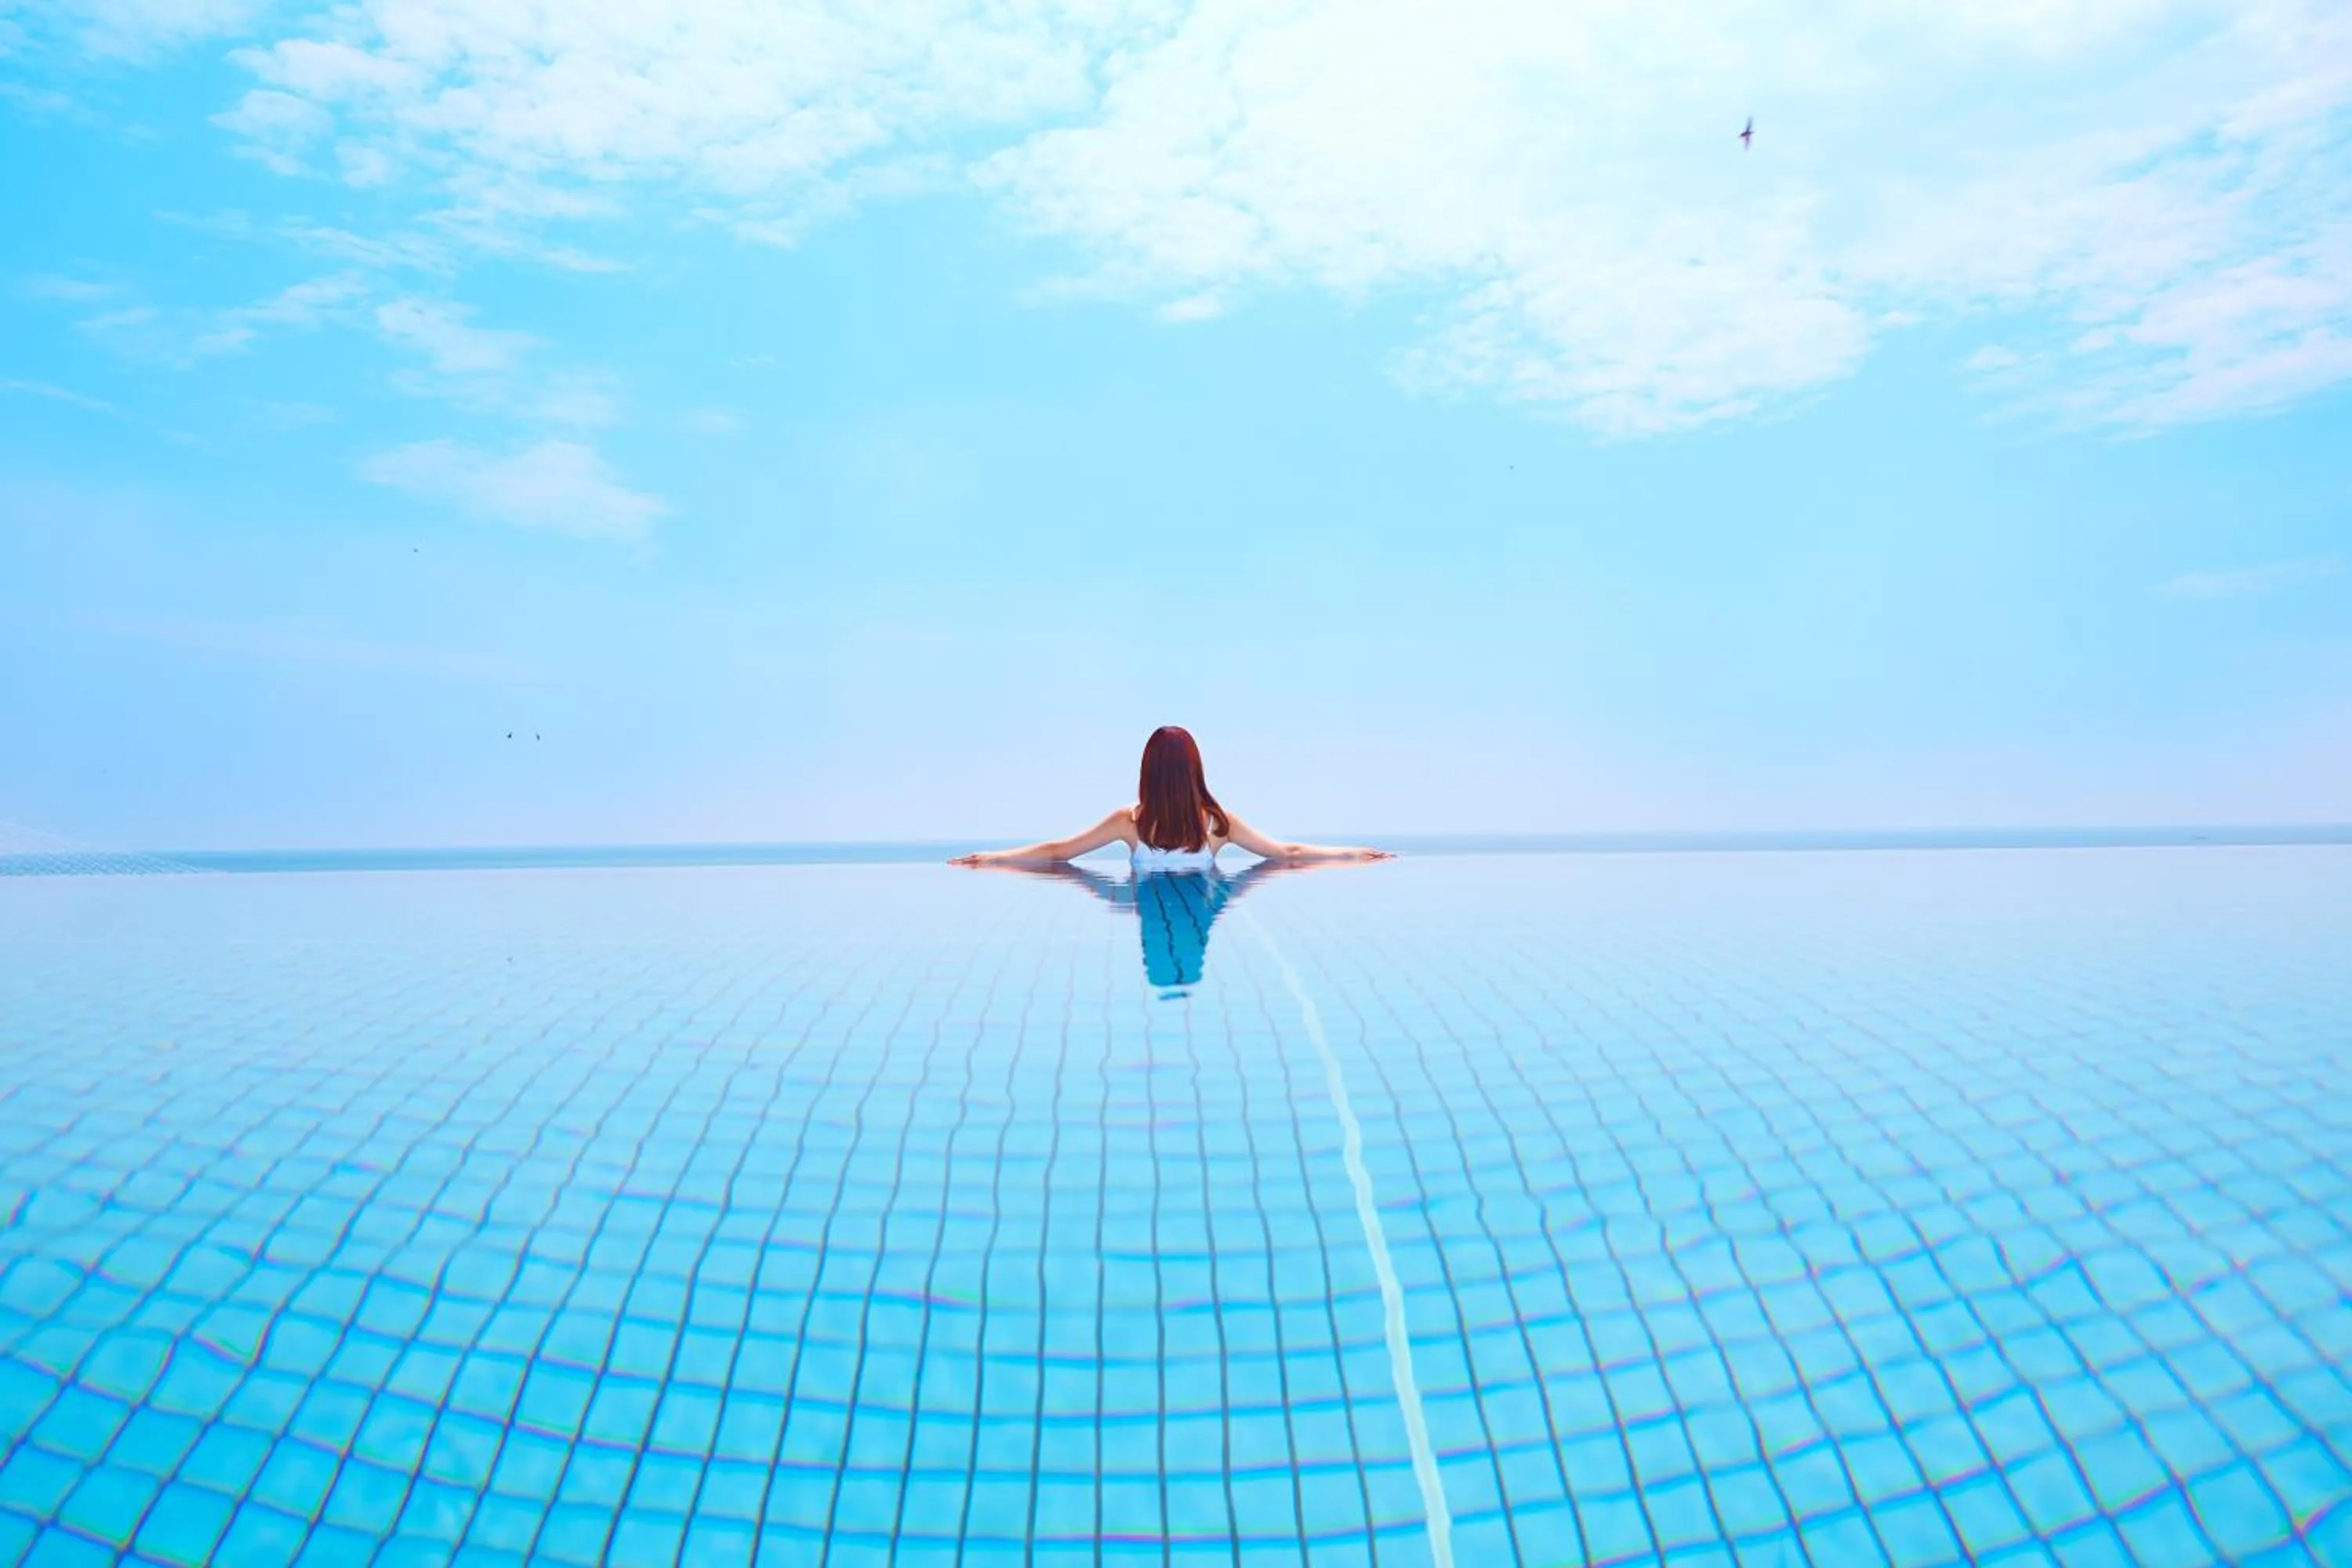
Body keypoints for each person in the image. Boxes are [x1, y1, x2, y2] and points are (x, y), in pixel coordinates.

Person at [948, 726, 1392, 868]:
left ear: (1149, 770)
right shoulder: (1218, 824)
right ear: (1194, 770)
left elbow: (1059, 852)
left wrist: (991, 859)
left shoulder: (1131, 821)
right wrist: (1351, 854)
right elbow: (1287, 854)